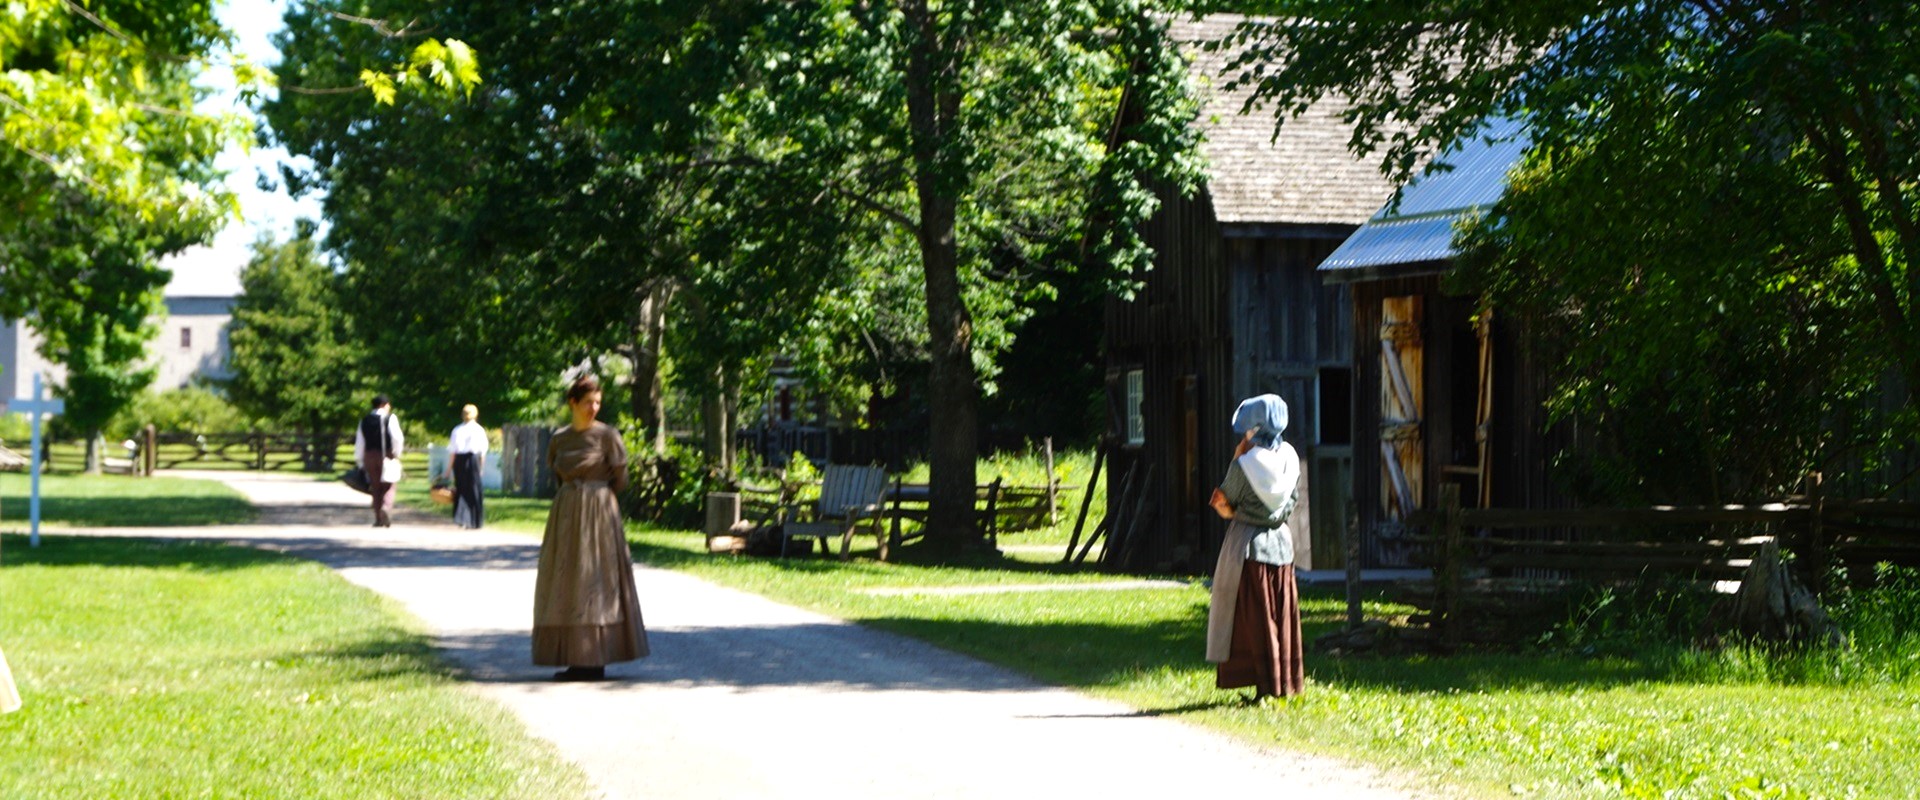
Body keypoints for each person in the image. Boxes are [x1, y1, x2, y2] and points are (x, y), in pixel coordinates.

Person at [531, 375, 649, 681]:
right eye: (588, 403)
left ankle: (597, 656)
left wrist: (597, 496)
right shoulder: (560, 438)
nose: (594, 408)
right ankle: (573, 657)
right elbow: (557, 474)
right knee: (567, 580)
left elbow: (620, 479)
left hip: (599, 513)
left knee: (596, 579)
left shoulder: (608, 436)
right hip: (566, 513)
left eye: (598, 402)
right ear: (573, 403)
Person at [1205, 393, 1305, 700]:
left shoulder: (1244, 465)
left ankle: (1264, 686)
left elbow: (1221, 502)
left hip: (1248, 548)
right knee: (1280, 616)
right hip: (1281, 546)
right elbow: (1291, 503)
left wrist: (1238, 513)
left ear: (1255, 428)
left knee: (1254, 621)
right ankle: (1283, 684)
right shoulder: (1290, 458)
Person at [353, 395, 404, 527]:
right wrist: (397, 453)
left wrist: (360, 460)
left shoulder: (364, 420)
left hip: (369, 456)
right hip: (386, 455)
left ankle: (378, 519)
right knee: (389, 484)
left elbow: (360, 442)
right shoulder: (390, 418)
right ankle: (385, 508)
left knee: (375, 487)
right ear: (384, 404)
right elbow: (397, 438)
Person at [439, 404, 488, 529]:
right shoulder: (479, 430)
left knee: (461, 489)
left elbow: (453, 452)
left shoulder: (457, 430)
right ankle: (475, 520)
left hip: (460, 461)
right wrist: (481, 467)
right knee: (474, 489)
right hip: (473, 460)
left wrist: (449, 469)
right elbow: (482, 451)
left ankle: (461, 518)